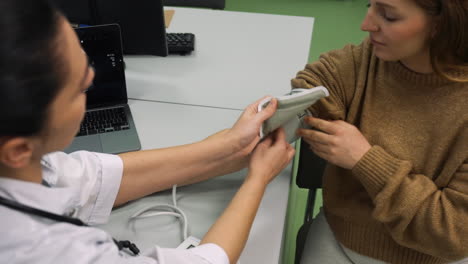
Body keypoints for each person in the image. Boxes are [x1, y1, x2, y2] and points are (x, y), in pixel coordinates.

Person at [0, 0, 296, 263]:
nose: (92, 77)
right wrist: (257, 180)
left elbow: (92, 179)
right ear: (18, 150)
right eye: (80, 88)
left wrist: (229, 146)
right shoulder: (43, 249)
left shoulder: (18, 162)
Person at [292, 0, 468, 263]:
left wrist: (365, 160)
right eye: (369, 5)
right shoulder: (375, 56)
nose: (366, 25)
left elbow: (454, 232)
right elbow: (320, 80)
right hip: (341, 239)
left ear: (441, 23)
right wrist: (300, 103)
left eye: (388, 16)